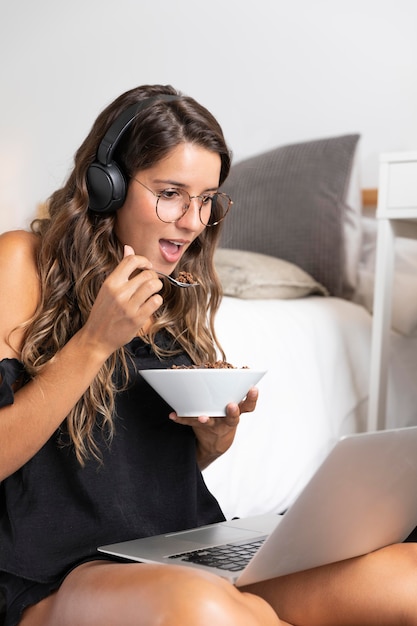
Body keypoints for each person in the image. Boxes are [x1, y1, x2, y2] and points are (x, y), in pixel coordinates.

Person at [0, 84, 417, 626]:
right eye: (171, 193)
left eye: (206, 199)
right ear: (108, 185)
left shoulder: (176, 286)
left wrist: (210, 442)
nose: (194, 221)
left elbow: (130, 468)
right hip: (61, 571)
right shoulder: (22, 263)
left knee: (405, 576)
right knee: (205, 609)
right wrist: (96, 341)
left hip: (179, 546)